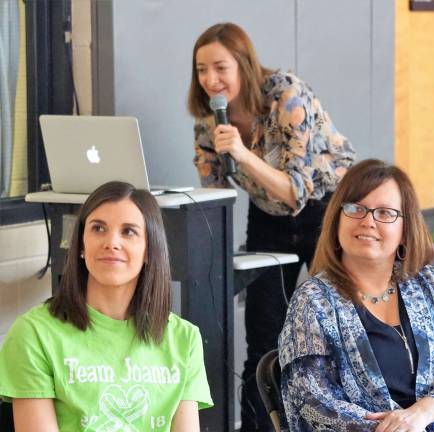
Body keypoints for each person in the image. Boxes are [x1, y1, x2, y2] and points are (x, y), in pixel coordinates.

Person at [188, 22, 356, 431]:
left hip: (325, 210)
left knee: (334, 328)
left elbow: (296, 191)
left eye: (221, 67)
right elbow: (213, 194)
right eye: (201, 69)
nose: (211, 80)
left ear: (244, 64)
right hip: (267, 216)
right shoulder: (210, 121)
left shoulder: (284, 94)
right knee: (262, 337)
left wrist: (242, 155)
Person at [0, 181, 213, 432]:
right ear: (80, 245)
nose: (111, 242)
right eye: (98, 228)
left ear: (149, 250)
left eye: (129, 231)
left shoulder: (184, 339)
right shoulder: (34, 333)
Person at [279, 159, 434, 431]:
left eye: (385, 213)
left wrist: (425, 410)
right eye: (356, 208)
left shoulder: (429, 284)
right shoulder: (313, 301)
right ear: (337, 219)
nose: (368, 222)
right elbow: (311, 401)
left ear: (404, 229)